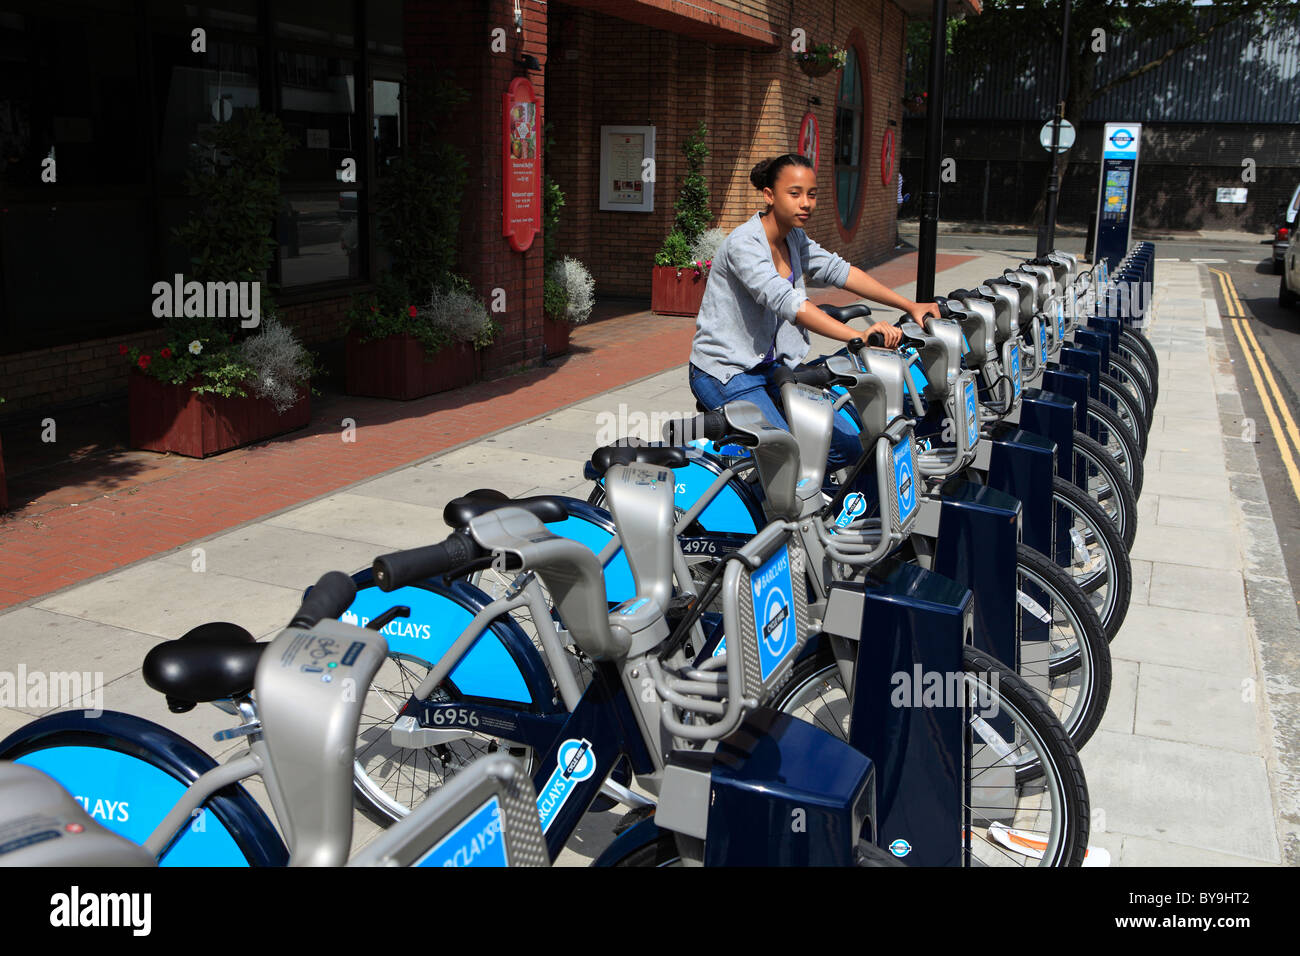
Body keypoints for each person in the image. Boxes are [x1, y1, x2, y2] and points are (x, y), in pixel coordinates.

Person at [689, 152, 939, 474]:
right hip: (726, 372)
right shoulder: (744, 244)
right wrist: (857, 336)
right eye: (794, 194)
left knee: (846, 447)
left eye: (811, 194)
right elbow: (789, 303)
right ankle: (772, 506)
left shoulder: (794, 238)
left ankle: (790, 498)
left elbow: (841, 271)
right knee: (786, 457)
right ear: (769, 195)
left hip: (773, 369)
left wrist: (909, 305)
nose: (805, 203)